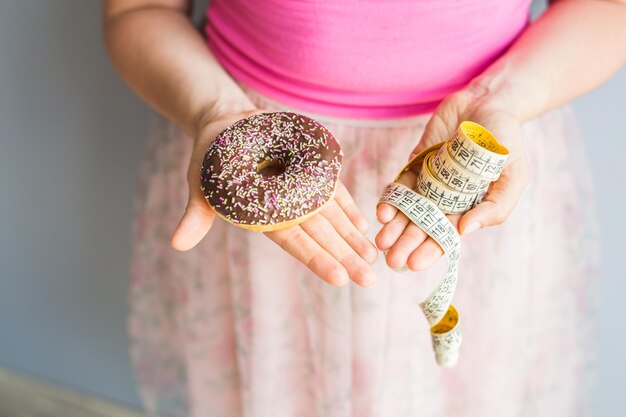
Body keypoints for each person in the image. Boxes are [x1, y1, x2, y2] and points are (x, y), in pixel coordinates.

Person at [103, 0, 625, 416]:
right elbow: (140, 9)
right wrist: (214, 110)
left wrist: (504, 97)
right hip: (255, 176)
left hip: (472, 165)